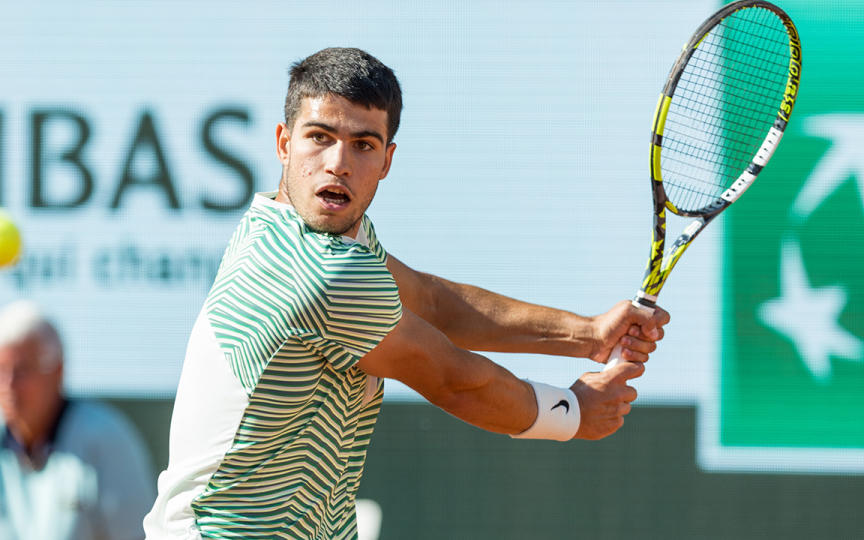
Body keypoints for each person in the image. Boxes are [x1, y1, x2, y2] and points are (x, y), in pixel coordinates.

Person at [143, 47, 670, 539]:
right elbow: (453, 380)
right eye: (319, 137)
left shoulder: (323, 234)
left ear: (387, 161)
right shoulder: (319, 273)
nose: (338, 162)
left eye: (363, 145)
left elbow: (434, 302)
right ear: (284, 143)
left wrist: (589, 334)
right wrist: (573, 412)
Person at [0, 300, 156, 540]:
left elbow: (134, 534)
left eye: (21, 370)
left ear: (57, 371)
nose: (6, 386)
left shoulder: (108, 437)